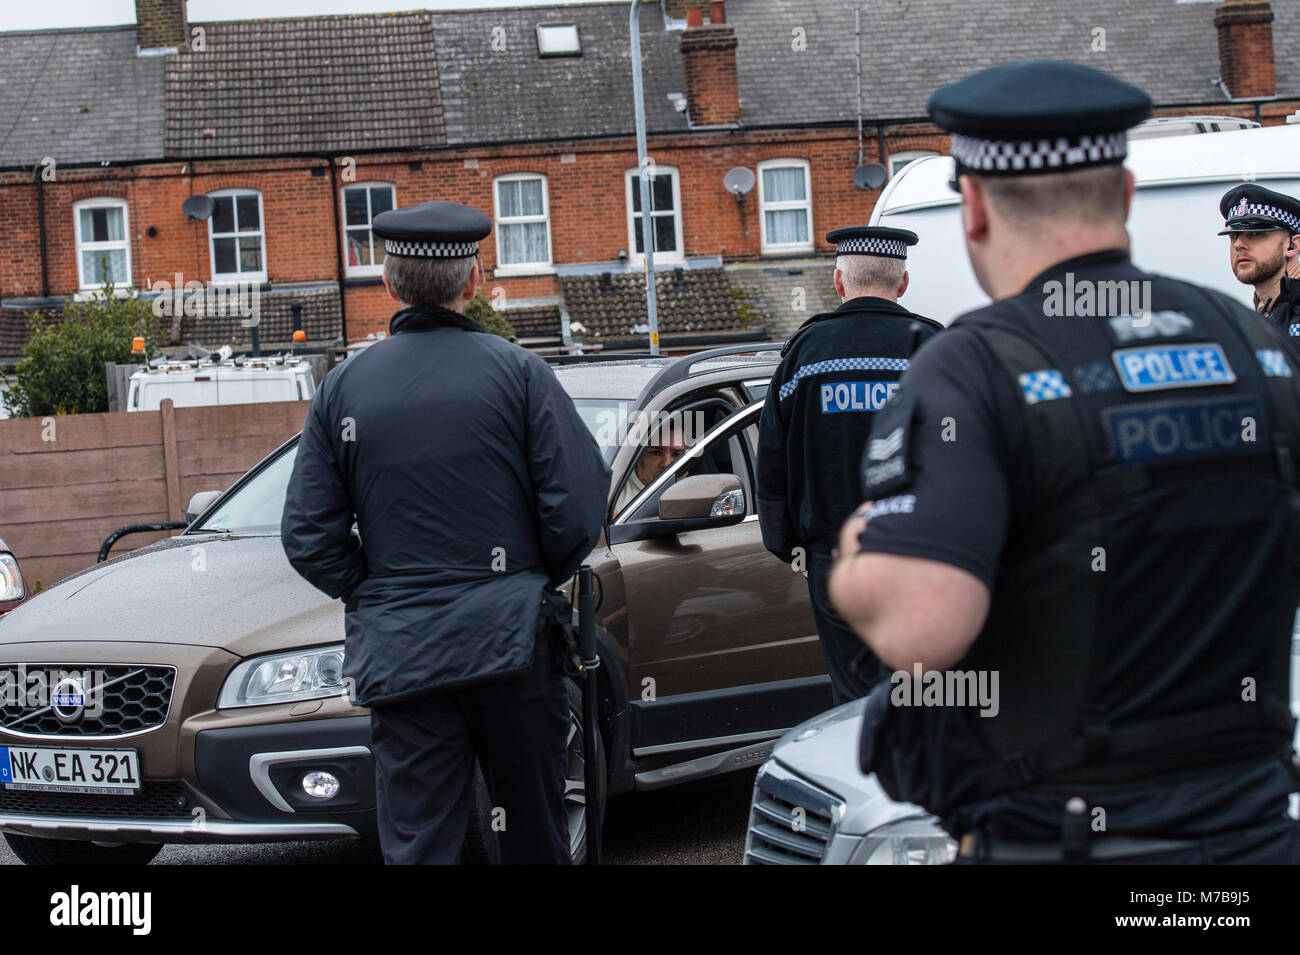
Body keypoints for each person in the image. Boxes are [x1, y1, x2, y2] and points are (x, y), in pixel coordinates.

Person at [829, 60, 1300, 864]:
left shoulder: (972, 366)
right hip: (1252, 830)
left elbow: (920, 623)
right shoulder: (1254, 344)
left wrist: (853, 557)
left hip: (1065, 832)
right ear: (1122, 194)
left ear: (973, 206)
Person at [280, 200, 610, 865]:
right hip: (513, 647)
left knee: (421, 843)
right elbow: (576, 510)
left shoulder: (342, 389)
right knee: (535, 839)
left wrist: (379, 589)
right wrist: (522, 582)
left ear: (387, 283)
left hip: (405, 657)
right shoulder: (521, 375)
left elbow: (308, 535)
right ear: (474, 280)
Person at [757, 227, 941, 705]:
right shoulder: (937, 350)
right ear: (902, 284)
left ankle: (857, 773)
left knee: (854, 696)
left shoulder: (804, 355)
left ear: (840, 282)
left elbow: (773, 463)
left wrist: (790, 548)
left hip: (835, 558)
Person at [1219, 183, 1300, 333]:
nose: (1238, 244)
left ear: (1293, 246)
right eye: (1234, 236)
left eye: (1255, 234)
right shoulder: (1255, 318)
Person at [613, 418, 690, 516]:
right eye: (656, 453)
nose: (667, 464)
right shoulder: (613, 496)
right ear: (637, 457)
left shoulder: (696, 496)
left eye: (677, 455)